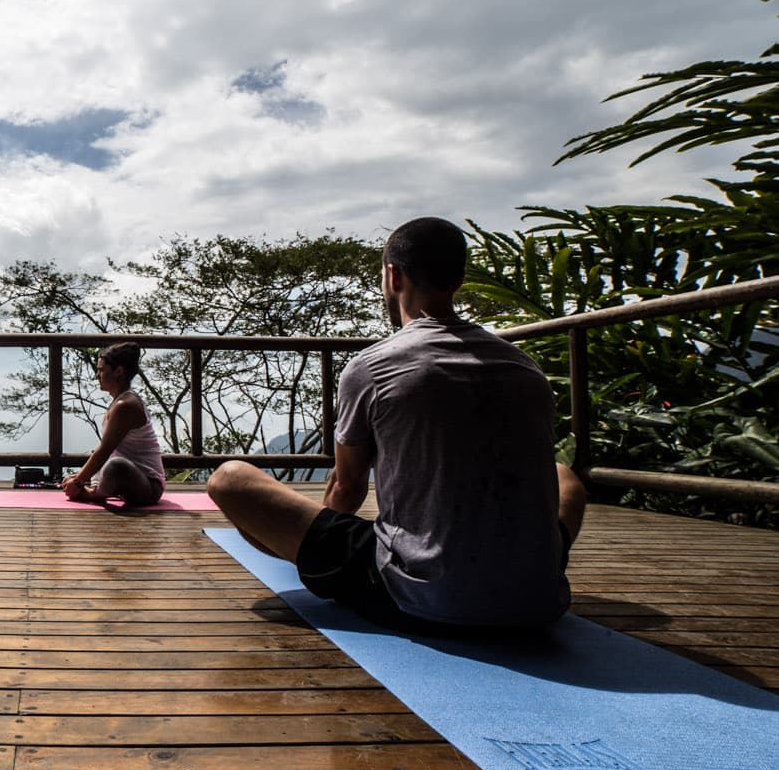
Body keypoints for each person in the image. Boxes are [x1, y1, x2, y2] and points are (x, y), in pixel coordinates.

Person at [206, 217, 587, 631]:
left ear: (394, 275)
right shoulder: (524, 367)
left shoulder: (373, 366)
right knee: (564, 476)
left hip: (420, 599)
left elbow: (347, 489)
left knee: (230, 479)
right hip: (535, 599)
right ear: (458, 280)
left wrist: (317, 544)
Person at [62, 342, 168, 507]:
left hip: (148, 487)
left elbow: (105, 450)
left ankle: (94, 494)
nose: (97, 375)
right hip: (131, 483)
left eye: (101, 370)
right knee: (111, 462)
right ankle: (96, 488)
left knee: (116, 465)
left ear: (119, 371)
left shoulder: (125, 405)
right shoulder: (119, 402)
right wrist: (79, 477)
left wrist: (78, 482)